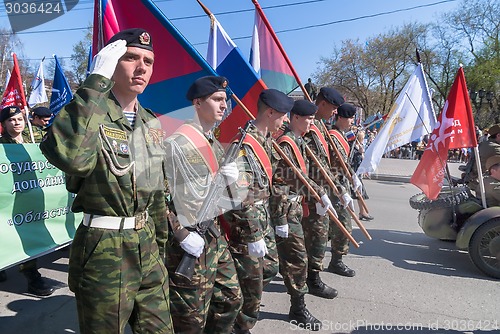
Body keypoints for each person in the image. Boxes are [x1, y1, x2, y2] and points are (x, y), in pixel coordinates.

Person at [39, 29, 174, 333]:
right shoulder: (88, 113)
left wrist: (160, 249)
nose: (142, 67)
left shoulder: (151, 123)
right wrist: (95, 83)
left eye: (148, 62)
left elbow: (155, 194)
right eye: (131, 58)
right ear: (111, 62)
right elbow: (72, 158)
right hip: (105, 249)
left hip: (148, 244)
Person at [163, 76, 242, 333]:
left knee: (231, 299)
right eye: (217, 99)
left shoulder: (213, 143)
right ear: (197, 103)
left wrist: (235, 180)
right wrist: (181, 233)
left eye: (225, 100)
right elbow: (157, 198)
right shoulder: (177, 144)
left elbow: (227, 195)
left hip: (213, 236)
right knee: (190, 319)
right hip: (188, 240)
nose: (224, 105)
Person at [224, 89, 291, 333]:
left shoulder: (266, 141)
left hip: (264, 220)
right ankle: (239, 326)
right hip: (247, 224)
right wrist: (253, 235)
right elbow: (239, 195)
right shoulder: (244, 146)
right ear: (270, 112)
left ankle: (239, 319)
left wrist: (279, 217)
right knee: (251, 280)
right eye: (282, 116)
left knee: (270, 267)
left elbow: (273, 183)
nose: (285, 121)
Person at [272, 99, 334, 331]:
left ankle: (299, 301)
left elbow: (306, 176)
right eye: (308, 118)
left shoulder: (298, 142)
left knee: (297, 258)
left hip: (297, 207)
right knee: (296, 260)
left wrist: (319, 195)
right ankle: (297, 308)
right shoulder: (286, 144)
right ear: (295, 117)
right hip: (284, 210)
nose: (311, 123)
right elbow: (289, 179)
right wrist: (318, 194)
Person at [0, 105, 55, 296]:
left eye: (19, 119)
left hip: (33, 195)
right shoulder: (1, 145)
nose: (16, 123)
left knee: (28, 234)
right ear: (4, 124)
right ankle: (30, 276)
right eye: (11, 120)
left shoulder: (36, 138)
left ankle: (31, 274)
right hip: (9, 199)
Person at [302, 86, 345, 300]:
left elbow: (327, 162)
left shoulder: (320, 125)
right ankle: (312, 280)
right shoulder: (308, 127)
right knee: (316, 238)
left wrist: (341, 186)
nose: (335, 112)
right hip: (311, 194)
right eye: (334, 108)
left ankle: (309, 276)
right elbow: (309, 165)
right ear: (322, 104)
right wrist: (318, 192)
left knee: (318, 237)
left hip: (322, 191)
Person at [327, 103, 363, 277]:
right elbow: (333, 167)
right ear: (340, 117)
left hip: (343, 185)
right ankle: (336, 261)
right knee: (343, 226)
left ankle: (335, 259)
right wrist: (342, 189)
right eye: (349, 118)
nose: (351, 122)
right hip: (335, 187)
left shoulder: (343, 135)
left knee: (335, 227)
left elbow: (345, 162)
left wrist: (353, 176)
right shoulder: (333, 137)